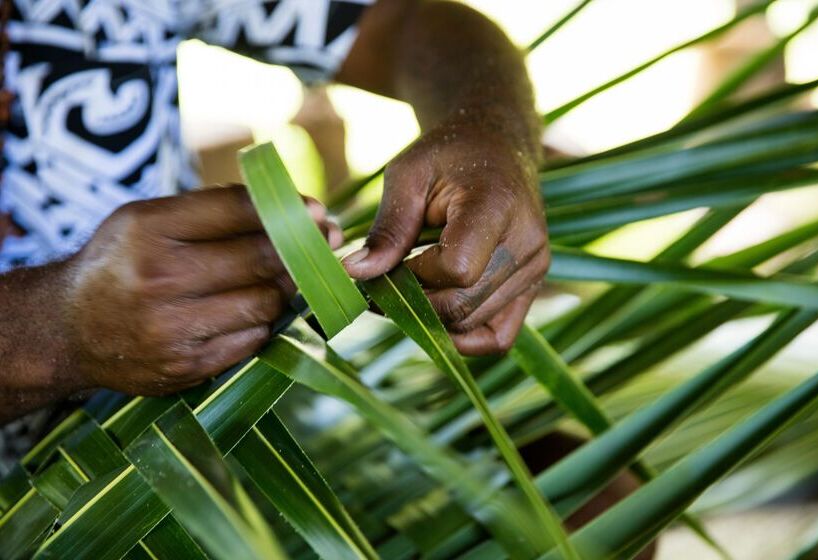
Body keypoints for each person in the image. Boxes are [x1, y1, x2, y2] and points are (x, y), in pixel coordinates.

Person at [0, 0, 549, 462]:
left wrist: (491, 132)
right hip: (44, 506)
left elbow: (400, 22)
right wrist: (51, 332)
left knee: (566, 474)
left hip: (226, 430)